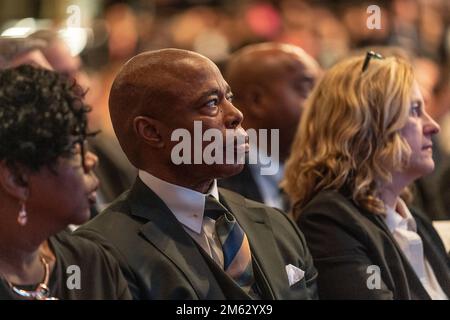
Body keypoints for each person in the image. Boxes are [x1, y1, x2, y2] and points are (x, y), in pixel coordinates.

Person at [74, 48, 318, 300]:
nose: (236, 114)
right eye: (212, 103)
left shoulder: (278, 225)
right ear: (152, 132)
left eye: (229, 97)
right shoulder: (101, 251)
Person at [282, 52, 450, 299]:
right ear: (366, 127)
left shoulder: (414, 218)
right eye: (414, 110)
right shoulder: (328, 220)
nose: (432, 125)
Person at [0, 65, 131, 300]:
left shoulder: (92, 263)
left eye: (84, 145)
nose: (91, 160)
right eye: (72, 149)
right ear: (16, 178)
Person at [218, 43, 320, 211]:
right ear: (257, 101)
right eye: (306, 88)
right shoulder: (215, 181)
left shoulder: (325, 175)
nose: (321, 102)